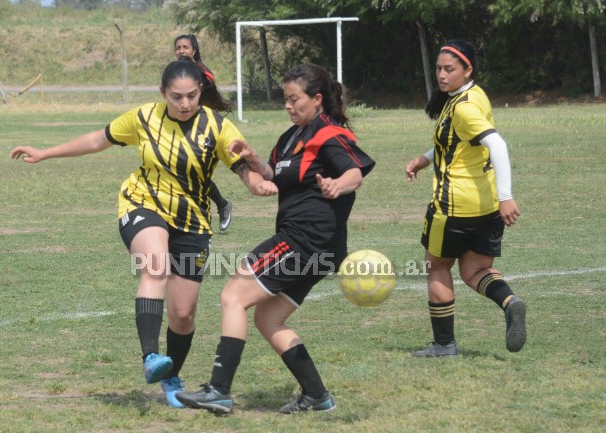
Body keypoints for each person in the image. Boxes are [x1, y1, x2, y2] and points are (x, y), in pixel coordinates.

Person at [10, 57, 274, 408]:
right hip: (141, 203)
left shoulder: (218, 127)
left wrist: (258, 185)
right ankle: (151, 356)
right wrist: (45, 153)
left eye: (192, 96)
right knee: (155, 265)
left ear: (201, 92)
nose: (184, 104)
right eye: (176, 96)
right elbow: (96, 139)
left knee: (183, 313)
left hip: (193, 221)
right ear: (163, 93)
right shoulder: (143, 118)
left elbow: (245, 169)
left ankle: (170, 376)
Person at [176, 64, 375, 414]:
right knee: (268, 320)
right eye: (285, 99)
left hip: (305, 241)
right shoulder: (290, 137)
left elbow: (354, 173)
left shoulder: (327, 133)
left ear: (316, 99)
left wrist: (336, 185)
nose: (288, 105)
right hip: (317, 247)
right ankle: (317, 396)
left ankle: (219, 390)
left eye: (294, 99)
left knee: (232, 294)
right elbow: (273, 176)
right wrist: (252, 159)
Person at [405, 39, 527, 357]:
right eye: (438, 68)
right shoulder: (473, 95)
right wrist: (424, 158)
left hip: (453, 206)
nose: (441, 75)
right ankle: (510, 302)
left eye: (450, 69)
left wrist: (507, 196)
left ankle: (444, 345)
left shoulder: (463, 107)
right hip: (485, 207)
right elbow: (461, 143)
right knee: (475, 271)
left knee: (437, 267)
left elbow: (497, 146)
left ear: (467, 69)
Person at [174, 33, 233, 231]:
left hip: (202, 128)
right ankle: (220, 205)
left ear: (194, 50)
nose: (181, 51)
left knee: (193, 172)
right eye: (178, 48)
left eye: (185, 47)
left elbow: (207, 85)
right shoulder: (175, 71)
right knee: (184, 171)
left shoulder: (201, 71)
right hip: (181, 127)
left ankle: (217, 206)